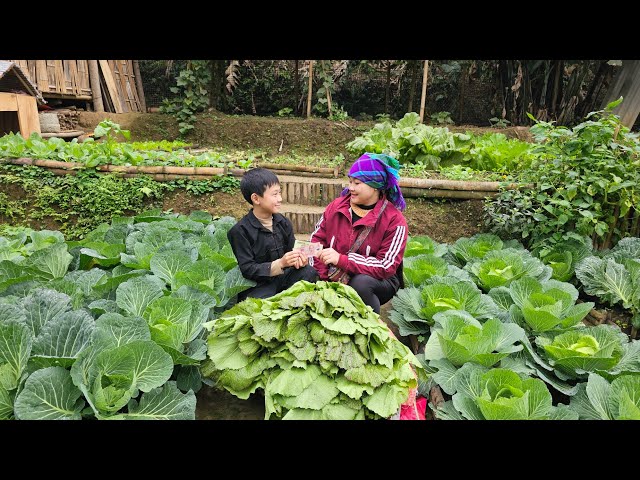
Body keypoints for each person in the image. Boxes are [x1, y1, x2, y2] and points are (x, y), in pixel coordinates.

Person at [311, 152, 408, 314]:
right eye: (350, 181)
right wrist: (323, 277)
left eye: (357, 183)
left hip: (378, 280)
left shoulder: (394, 221)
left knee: (361, 283)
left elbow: (386, 266)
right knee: (306, 273)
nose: (351, 188)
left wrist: (342, 260)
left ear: (375, 186)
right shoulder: (336, 207)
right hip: (334, 273)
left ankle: (369, 329)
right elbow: (316, 241)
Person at [228, 167, 318, 301]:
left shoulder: (283, 222)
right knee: (262, 302)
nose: (280, 198)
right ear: (256, 199)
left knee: (309, 272)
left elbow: (291, 250)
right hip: (258, 285)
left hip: (284, 278)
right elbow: (247, 269)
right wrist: (280, 264)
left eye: (279, 193)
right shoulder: (240, 231)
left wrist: (299, 259)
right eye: (274, 195)